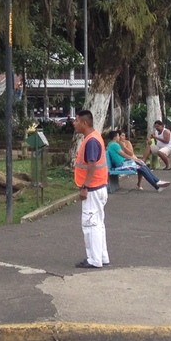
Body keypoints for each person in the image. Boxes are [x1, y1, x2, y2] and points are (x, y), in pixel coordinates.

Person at [73, 110, 109, 270]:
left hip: (92, 189)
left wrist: (85, 187)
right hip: (99, 186)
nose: (74, 123)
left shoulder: (91, 141)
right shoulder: (94, 137)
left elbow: (92, 165)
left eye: (76, 121)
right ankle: (101, 256)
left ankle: (94, 259)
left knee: (90, 224)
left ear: (84, 123)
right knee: (98, 224)